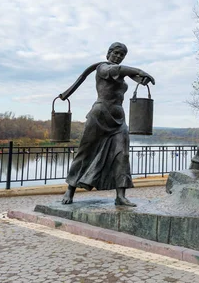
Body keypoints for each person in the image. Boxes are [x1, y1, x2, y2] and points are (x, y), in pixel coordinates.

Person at [60, 42, 155, 207]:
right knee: (85, 152)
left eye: (121, 55)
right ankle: (70, 189)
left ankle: (121, 195)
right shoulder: (102, 68)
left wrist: (141, 78)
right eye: (116, 53)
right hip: (100, 115)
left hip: (119, 119)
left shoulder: (121, 73)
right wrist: (139, 71)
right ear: (109, 53)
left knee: (122, 155)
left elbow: (126, 74)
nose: (118, 57)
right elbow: (116, 70)